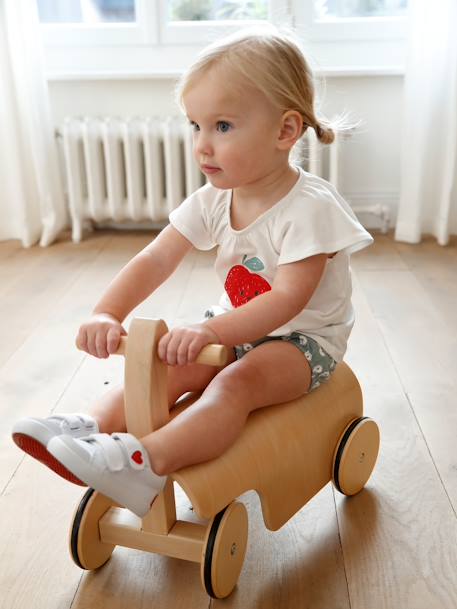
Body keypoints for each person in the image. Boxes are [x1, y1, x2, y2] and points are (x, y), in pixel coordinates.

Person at [12, 27, 373, 518]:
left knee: (235, 385)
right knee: (168, 368)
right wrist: (107, 312)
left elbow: (287, 300)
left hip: (303, 342)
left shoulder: (311, 208)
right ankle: (88, 427)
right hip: (235, 327)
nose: (203, 145)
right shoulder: (214, 199)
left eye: (222, 126)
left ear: (285, 131)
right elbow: (155, 258)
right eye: (195, 126)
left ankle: (146, 463)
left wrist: (208, 328)